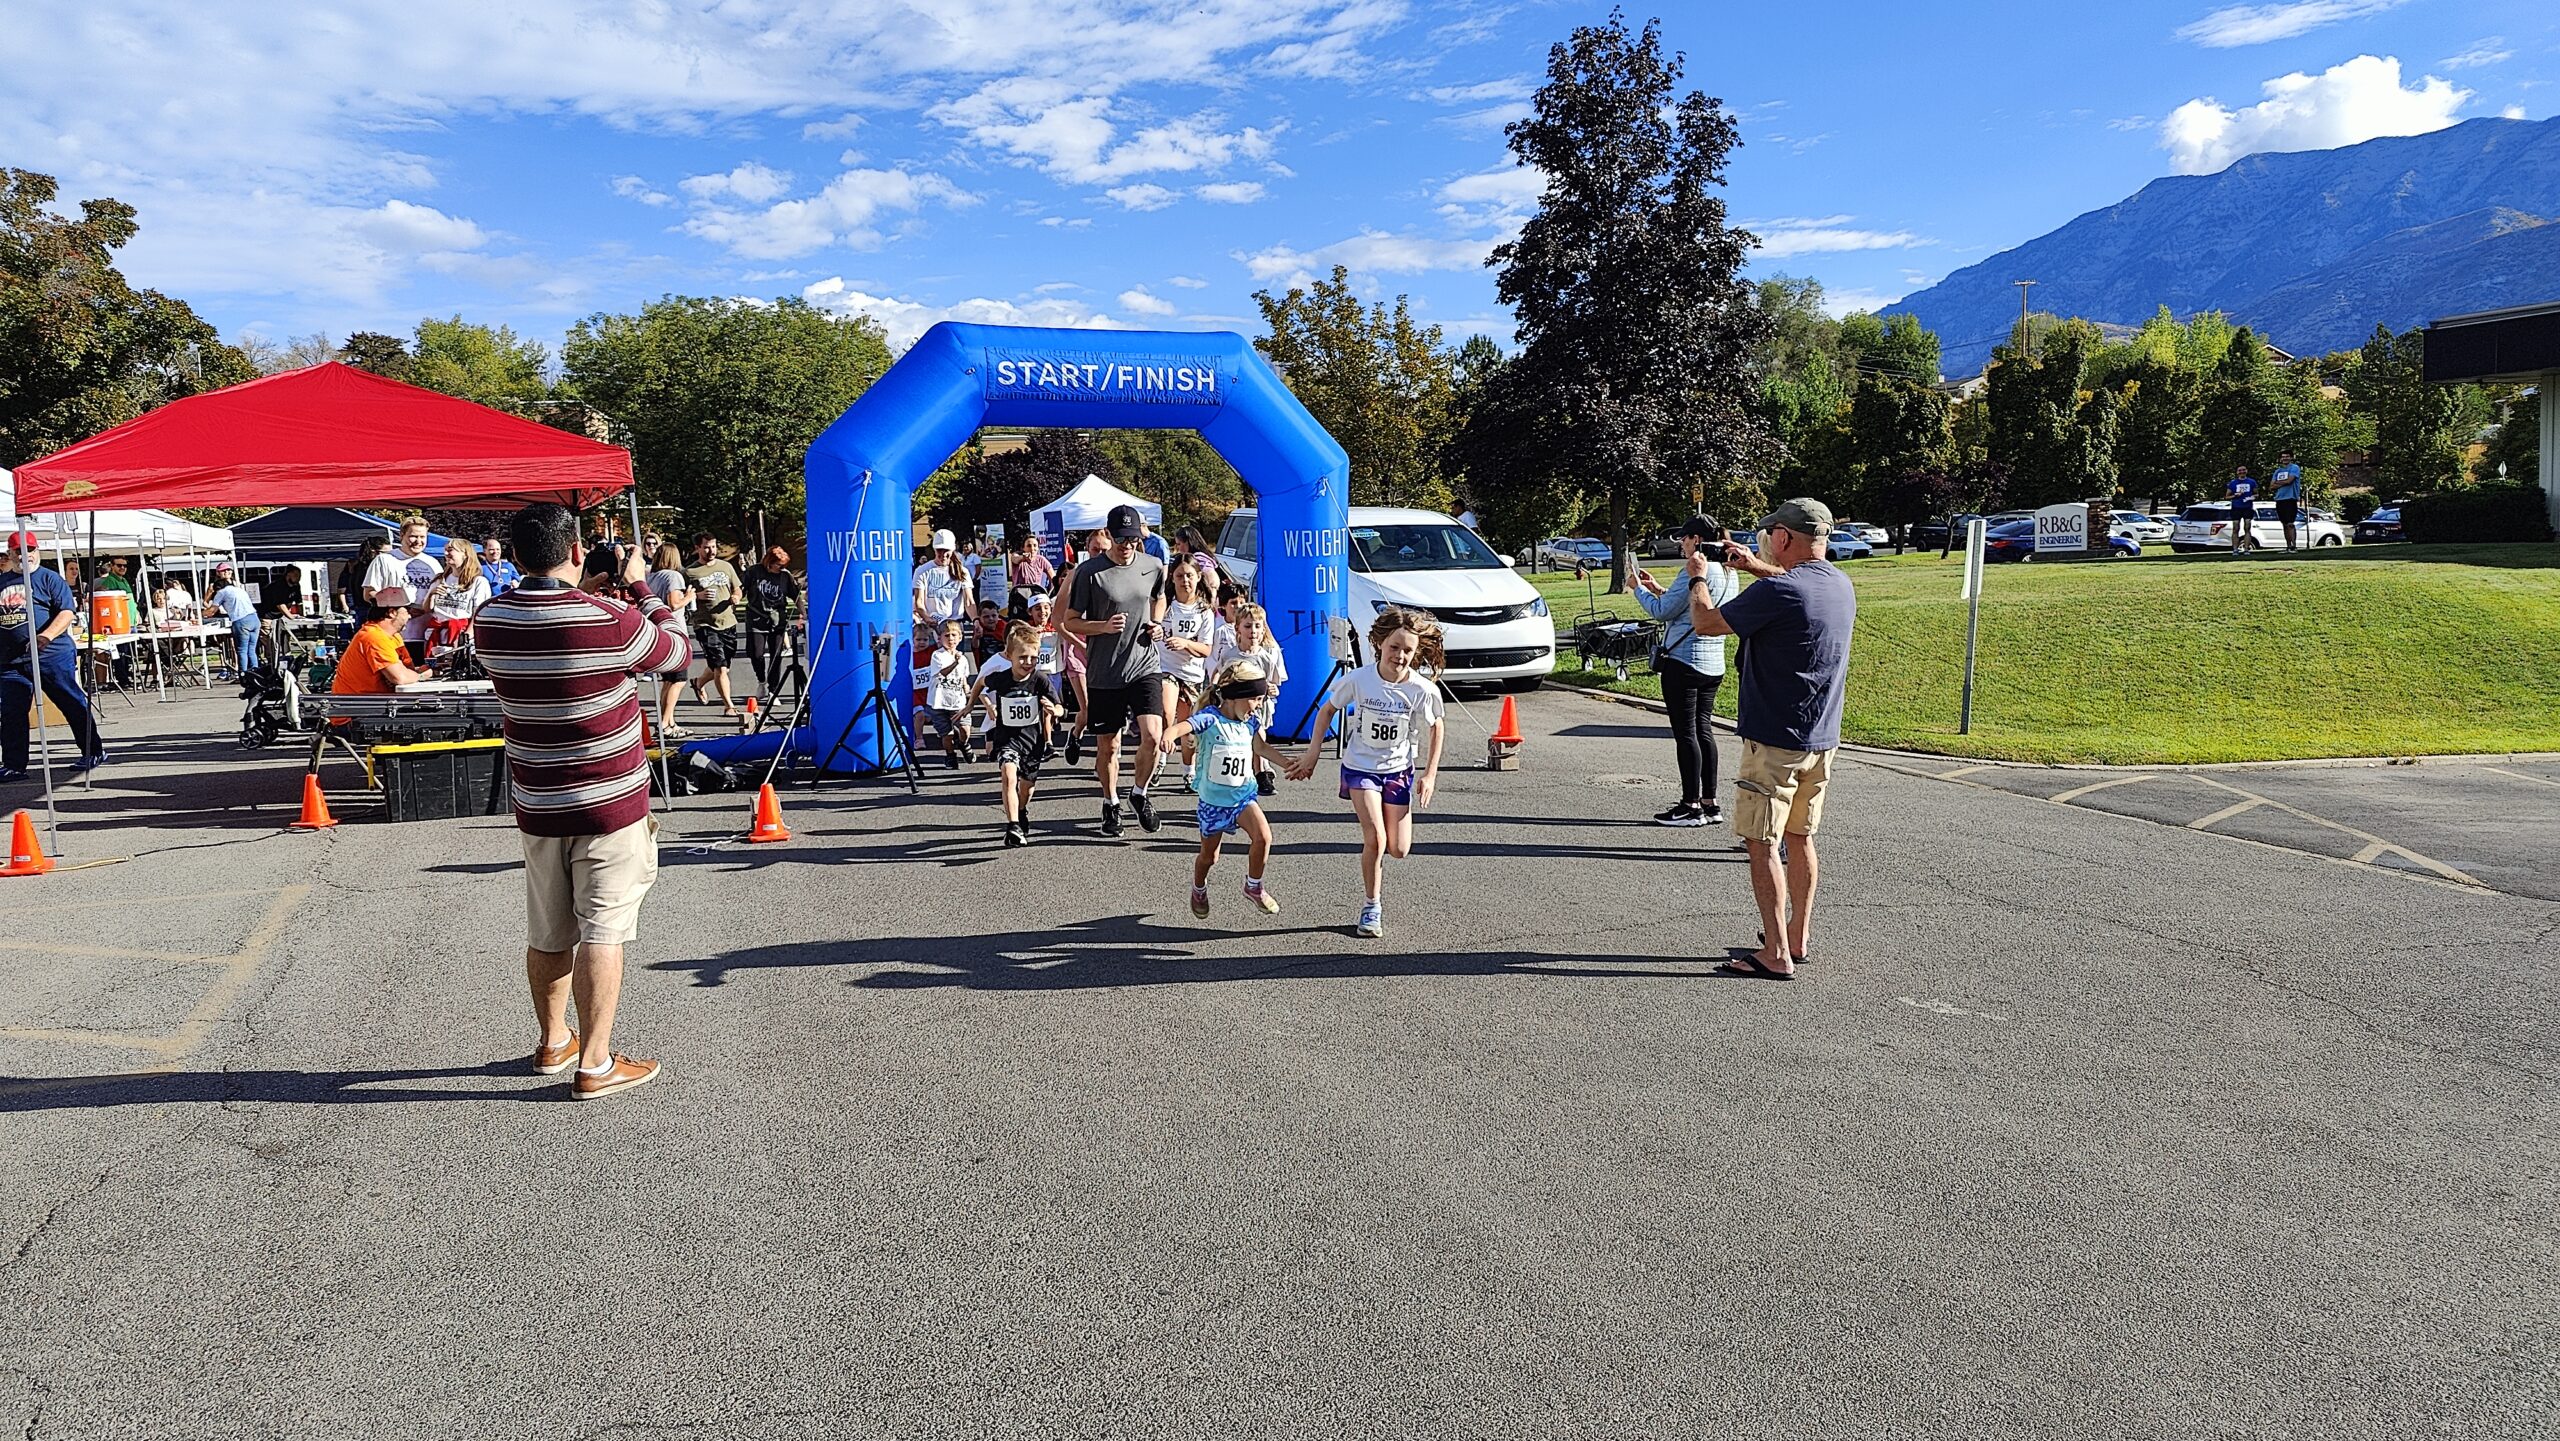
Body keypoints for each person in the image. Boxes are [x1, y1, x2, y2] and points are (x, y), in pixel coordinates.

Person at [476, 502, 692, 1101]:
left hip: (539, 802)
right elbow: (677, 653)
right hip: (609, 804)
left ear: (514, 555)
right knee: (604, 929)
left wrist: (588, 595)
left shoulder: (491, 621)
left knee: (548, 930)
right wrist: (641, 588)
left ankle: (553, 1041)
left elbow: (554, 633)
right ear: (575, 551)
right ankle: (596, 1063)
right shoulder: (612, 620)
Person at [1685, 497, 1856, 981]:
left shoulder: (1779, 591)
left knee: (1761, 842)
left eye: (1770, 535)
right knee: (1800, 836)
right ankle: (1797, 935)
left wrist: (1697, 575)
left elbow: (1705, 623)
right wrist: (1753, 566)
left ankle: (1776, 953)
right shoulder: (1838, 584)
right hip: (1820, 738)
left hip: (1774, 742)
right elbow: (1795, 586)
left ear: (1782, 537)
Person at [1285, 608, 1446, 939]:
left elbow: (1436, 727)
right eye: (1394, 647)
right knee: (1376, 838)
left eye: (1408, 650)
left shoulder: (1422, 689)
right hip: (1361, 768)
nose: (1399, 656)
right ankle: (1372, 906)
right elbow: (1327, 710)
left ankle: (1377, 886)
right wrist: (1313, 752)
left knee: (1399, 849)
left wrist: (1429, 774)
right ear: (1380, 644)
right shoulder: (1359, 679)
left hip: (1398, 771)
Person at [1062, 504, 1169, 838]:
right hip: (1105, 670)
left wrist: (1157, 623)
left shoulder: (1153, 565)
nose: (1127, 545)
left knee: (1152, 735)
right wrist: (1102, 626)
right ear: (1108, 535)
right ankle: (1110, 803)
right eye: (1121, 539)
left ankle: (1139, 793)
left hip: (1144, 663)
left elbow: (1159, 598)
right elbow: (1069, 621)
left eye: (1132, 539)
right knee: (1109, 746)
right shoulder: (1090, 572)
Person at [1632, 515, 1739, 827]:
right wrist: (1659, 588)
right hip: (1713, 662)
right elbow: (1691, 603)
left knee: (1686, 734)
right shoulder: (1730, 571)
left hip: (1684, 661)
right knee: (1703, 730)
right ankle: (1710, 802)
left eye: (1684, 538)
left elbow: (1662, 612)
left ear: (1697, 540)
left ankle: (1690, 805)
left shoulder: (1694, 569)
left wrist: (1638, 590)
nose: (1681, 543)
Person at [1185, 657, 1289, 919]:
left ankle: (1254, 886)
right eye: (1255, 699)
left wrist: (1290, 764)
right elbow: (1186, 725)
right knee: (1209, 857)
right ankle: (1199, 887)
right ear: (1236, 696)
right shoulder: (1210, 718)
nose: (1258, 706)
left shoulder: (1249, 724)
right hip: (1213, 803)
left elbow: (1261, 748)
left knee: (1263, 837)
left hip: (1243, 797)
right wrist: (1168, 736)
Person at [0, 533, 106, 779]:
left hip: (51, 655)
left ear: (37, 550)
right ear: (10, 553)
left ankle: (93, 750)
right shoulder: (3, 582)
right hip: (11, 661)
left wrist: (45, 636)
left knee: (70, 702)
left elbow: (66, 612)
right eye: (19, 550)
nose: (25, 555)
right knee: (12, 712)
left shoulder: (49, 578)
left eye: (30, 549)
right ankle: (14, 765)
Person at [968, 622, 1066, 846]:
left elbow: (1060, 706)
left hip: (1032, 742)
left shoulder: (1040, 680)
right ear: (1009, 656)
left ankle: (1021, 810)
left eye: (1033, 658)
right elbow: (980, 682)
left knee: (1027, 788)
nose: (1028, 662)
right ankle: (1012, 826)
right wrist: (970, 705)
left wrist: (1055, 711)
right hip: (1007, 740)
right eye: (1022, 657)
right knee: (1008, 775)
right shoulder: (1001, 677)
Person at [1205, 599, 1287, 796]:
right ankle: (1238, 774)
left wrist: (1273, 690)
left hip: (1258, 707)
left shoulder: (1267, 657)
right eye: (1248, 626)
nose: (1253, 631)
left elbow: (1274, 683)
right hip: (1234, 707)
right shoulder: (1230, 655)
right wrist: (1215, 690)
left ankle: (1261, 774)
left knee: (1259, 737)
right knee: (1238, 742)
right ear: (1238, 629)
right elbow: (1220, 676)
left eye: (1258, 626)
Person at [1157, 559, 1218, 790]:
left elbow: (1206, 649)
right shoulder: (1165, 605)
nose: (1185, 581)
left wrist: (1185, 643)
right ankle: (1160, 758)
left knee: (1188, 727)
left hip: (1192, 674)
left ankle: (1188, 771)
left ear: (1198, 577)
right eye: (1180, 576)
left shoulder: (1204, 611)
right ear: (1172, 578)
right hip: (1166, 667)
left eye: (1189, 575)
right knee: (1166, 712)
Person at [683, 533, 745, 718]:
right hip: (705, 624)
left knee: (723, 664)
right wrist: (697, 596)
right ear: (697, 548)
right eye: (706, 547)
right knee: (720, 667)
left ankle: (698, 683)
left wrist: (736, 597)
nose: (711, 551)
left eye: (714, 546)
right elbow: (680, 597)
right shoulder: (689, 572)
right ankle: (729, 706)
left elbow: (737, 588)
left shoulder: (726, 566)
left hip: (728, 622)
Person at [330, 587, 428, 695]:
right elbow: (400, 678)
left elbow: (408, 669)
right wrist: (420, 676)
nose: (409, 616)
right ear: (392, 612)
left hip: (375, 699)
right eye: (407, 611)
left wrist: (416, 672)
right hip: (356, 702)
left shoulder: (394, 636)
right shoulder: (374, 636)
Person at [643, 544, 693, 740]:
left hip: (658, 632)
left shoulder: (652, 577)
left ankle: (669, 721)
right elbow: (673, 604)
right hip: (675, 632)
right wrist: (688, 597)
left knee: (668, 680)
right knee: (679, 680)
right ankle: (664, 722)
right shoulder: (673, 576)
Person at [744, 547, 802, 701]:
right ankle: (761, 681)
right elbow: (741, 589)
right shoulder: (754, 572)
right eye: (779, 565)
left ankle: (773, 691)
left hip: (777, 620)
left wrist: (803, 612)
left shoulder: (785, 576)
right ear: (770, 562)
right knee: (756, 654)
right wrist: (734, 598)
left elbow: (796, 596)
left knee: (776, 656)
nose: (782, 568)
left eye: (784, 566)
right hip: (756, 618)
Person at [918, 617, 973, 769]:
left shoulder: (963, 658)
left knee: (965, 729)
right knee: (947, 734)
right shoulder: (937, 655)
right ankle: (950, 755)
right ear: (940, 638)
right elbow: (942, 672)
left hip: (958, 702)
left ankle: (963, 744)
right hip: (939, 703)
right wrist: (955, 663)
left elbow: (963, 676)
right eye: (947, 635)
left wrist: (966, 687)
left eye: (954, 635)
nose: (950, 639)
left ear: (960, 637)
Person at [422, 541, 489, 656]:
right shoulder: (440, 579)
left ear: (465, 554)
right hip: (436, 636)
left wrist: (465, 638)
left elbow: (478, 614)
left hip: (461, 634)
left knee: (458, 666)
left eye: (450, 550)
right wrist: (432, 595)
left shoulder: (478, 582)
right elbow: (427, 609)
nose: (445, 554)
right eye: (445, 550)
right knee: (435, 667)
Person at [207, 566, 262, 678]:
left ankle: (243, 675)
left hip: (241, 620)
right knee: (251, 649)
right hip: (254, 618)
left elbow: (211, 611)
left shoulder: (221, 592)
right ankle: (255, 673)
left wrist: (199, 614)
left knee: (242, 650)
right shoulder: (240, 589)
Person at [912, 529, 971, 630]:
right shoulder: (922, 571)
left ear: (952, 550)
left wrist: (975, 619)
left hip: (954, 626)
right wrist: (926, 618)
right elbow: (919, 601)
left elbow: (969, 600)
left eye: (946, 550)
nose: (943, 554)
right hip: (932, 625)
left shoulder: (962, 571)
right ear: (934, 549)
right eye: (939, 550)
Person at [2270, 450, 2304, 552]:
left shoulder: (2294, 468)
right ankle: (2288, 546)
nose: (2285, 458)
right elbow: (2271, 486)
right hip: (2280, 499)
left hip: (2290, 498)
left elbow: (2290, 480)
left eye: (2287, 456)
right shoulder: (2277, 471)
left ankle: (2294, 546)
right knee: (2284, 524)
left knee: (2290, 524)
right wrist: (2282, 483)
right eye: (2283, 457)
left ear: (2291, 458)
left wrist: (2278, 483)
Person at [1007, 531, 1054, 603]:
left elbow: (1053, 578)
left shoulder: (1041, 560)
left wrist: (1051, 595)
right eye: (1029, 546)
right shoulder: (1017, 556)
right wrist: (1023, 558)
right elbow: (1015, 559)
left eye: (1035, 545)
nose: (1032, 548)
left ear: (1038, 548)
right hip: (1019, 598)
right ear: (1023, 548)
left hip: (1036, 597)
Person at [2224, 466, 2260, 557]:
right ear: (2237, 472)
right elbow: (2227, 496)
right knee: (2236, 528)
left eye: (2243, 470)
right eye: (2240, 470)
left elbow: (2256, 494)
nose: (2242, 472)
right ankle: (2235, 549)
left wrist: (2252, 497)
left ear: (2246, 471)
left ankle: (2246, 549)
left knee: (2247, 527)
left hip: (2247, 507)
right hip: (2236, 507)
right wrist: (2235, 495)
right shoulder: (2233, 483)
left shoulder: (2251, 482)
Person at [974, 536, 1009, 611]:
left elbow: (999, 550)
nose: (990, 546)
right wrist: (985, 551)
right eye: (989, 544)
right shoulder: (987, 550)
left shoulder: (996, 549)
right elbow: (982, 556)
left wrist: (994, 546)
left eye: (991, 544)